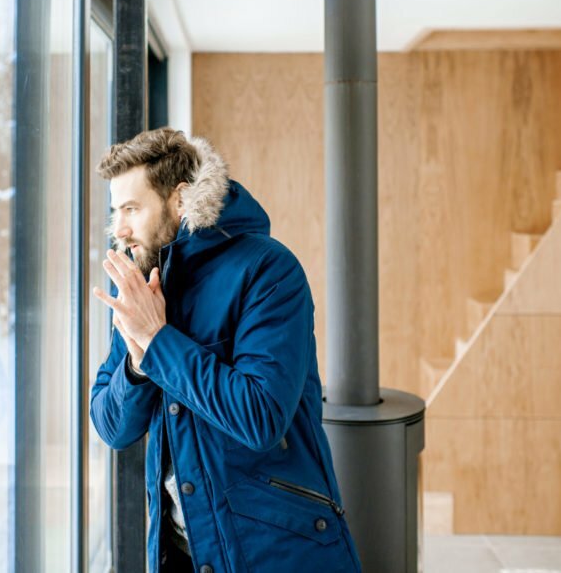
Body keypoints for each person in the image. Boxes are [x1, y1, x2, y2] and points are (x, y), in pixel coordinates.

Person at [89, 128, 362, 573]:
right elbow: (111, 425)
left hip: (277, 551)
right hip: (180, 551)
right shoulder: (144, 284)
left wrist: (158, 341)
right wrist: (138, 366)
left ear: (179, 200)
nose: (119, 228)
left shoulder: (269, 269)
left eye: (132, 209)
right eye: (116, 211)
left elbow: (260, 418)